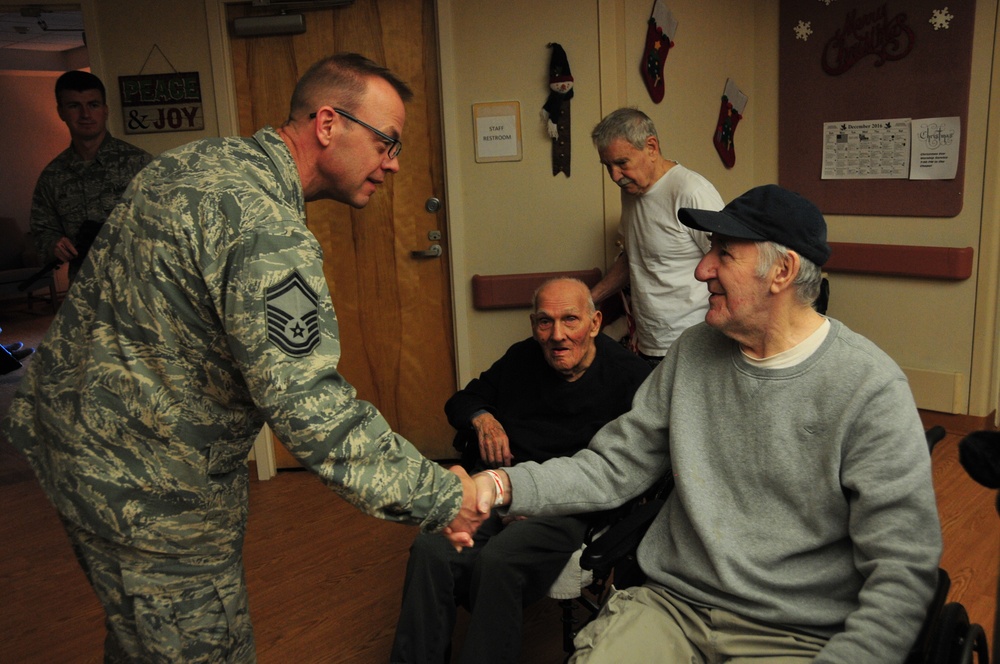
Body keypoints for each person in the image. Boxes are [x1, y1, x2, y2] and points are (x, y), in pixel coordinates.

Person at [2, 53, 485, 662]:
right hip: (148, 481)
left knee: (144, 637)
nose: (393, 162)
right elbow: (307, 404)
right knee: (201, 648)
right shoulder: (263, 226)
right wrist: (441, 495)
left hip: (83, 440)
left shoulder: (196, 161)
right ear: (328, 124)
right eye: (386, 141)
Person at [467, 185, 943, 663]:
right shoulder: (693, 351)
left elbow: (902, 568)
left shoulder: (868, 388)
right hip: (674, 607)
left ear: (781, 271)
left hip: (797, 632)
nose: (702, 269)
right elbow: (612, 467)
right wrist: (498, 484)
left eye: (724, 254)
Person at [391, 278, 651, 664]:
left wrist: (542, 501)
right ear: (533, 325)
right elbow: (463, 400)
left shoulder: (630, 377)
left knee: (500, 558)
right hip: (497, 484)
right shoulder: (522, 358)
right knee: (432, 547)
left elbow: (634, 468)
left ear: (595, 323)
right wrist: (483, 418)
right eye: (545, 322)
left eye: (570, 320)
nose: (557, 335)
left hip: (569, 503)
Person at [588, 107, 724, 365]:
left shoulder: (692, 192)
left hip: (694, 345)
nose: (615, 176)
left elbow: (728, 262)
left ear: (651, 147)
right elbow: (633, 257)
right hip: (648, 342)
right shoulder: (631, 190)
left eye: (622, 163)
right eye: (607, 166)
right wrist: (589, 299)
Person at [30, 70, 152, 281]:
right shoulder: (53, 176)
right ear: (61, 112)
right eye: (74, 106)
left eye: (93, 105)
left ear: (105, 110)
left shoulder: (140, 164)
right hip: (84, 286)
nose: (85, 114)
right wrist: (54, 245)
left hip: (137, 283)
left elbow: (167, 224)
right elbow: (42, 231)